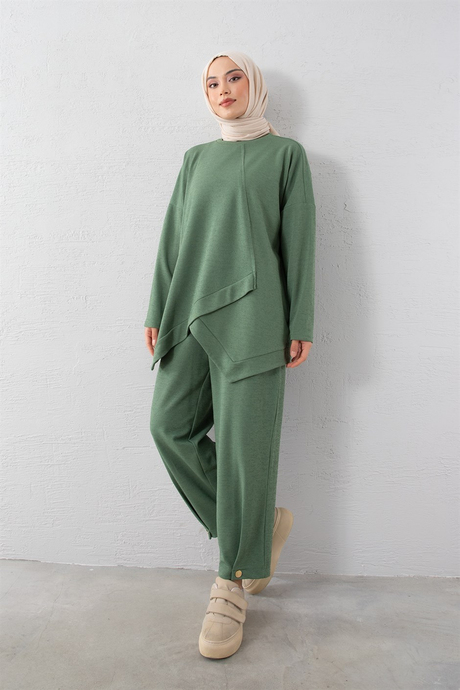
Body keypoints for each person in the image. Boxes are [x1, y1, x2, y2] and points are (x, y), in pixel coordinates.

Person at [144, 51, 316, 659]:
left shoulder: (285, 156)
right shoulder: (196, 160)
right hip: (191, 312)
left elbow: (299, 243)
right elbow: (174, 239)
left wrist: (301, 320)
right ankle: (256, 530)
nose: (223, 89)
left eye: (234, 77)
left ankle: (231, 584)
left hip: (257, 318)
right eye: (212, 82)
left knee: (245, 450)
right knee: (169, 425)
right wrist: (156, 309)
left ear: (254, 86)